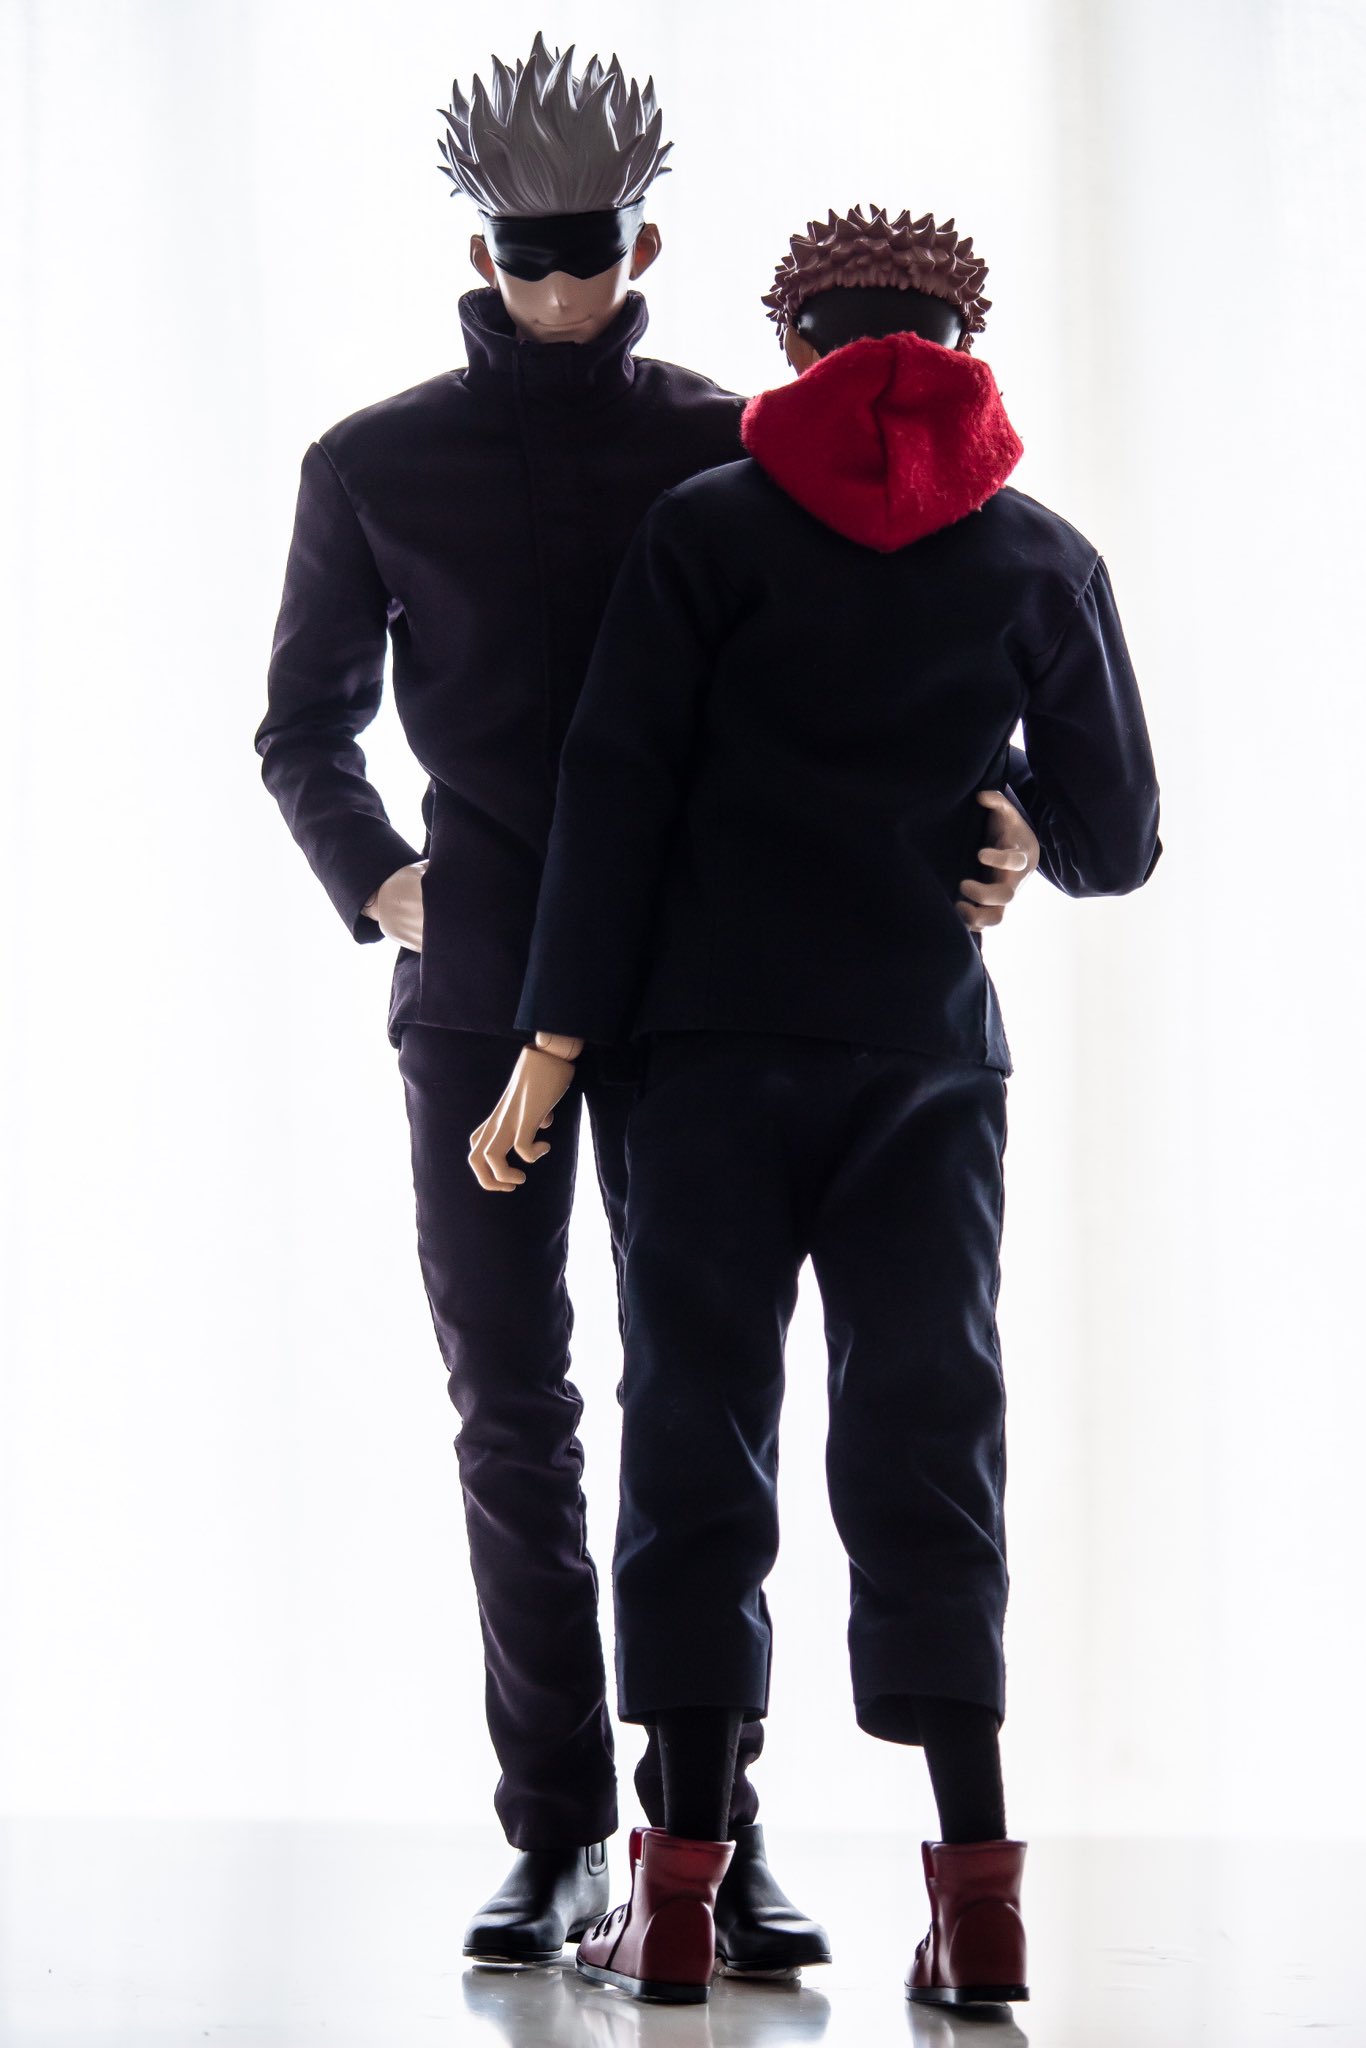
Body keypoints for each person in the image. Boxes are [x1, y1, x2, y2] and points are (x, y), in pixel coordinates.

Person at [471, 203, 1161, 2006]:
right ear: (963, 346)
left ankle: (676, 1897)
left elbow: (615, 791)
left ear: (791, 344)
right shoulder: (1038, 554)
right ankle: (978, 1897)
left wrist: (550, 1043)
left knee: (696, 1438)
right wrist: (1021, 820)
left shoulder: (703, 529)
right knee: (931, 1440)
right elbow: (1120, 836)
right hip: (921, 1057)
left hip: (705, 1053)